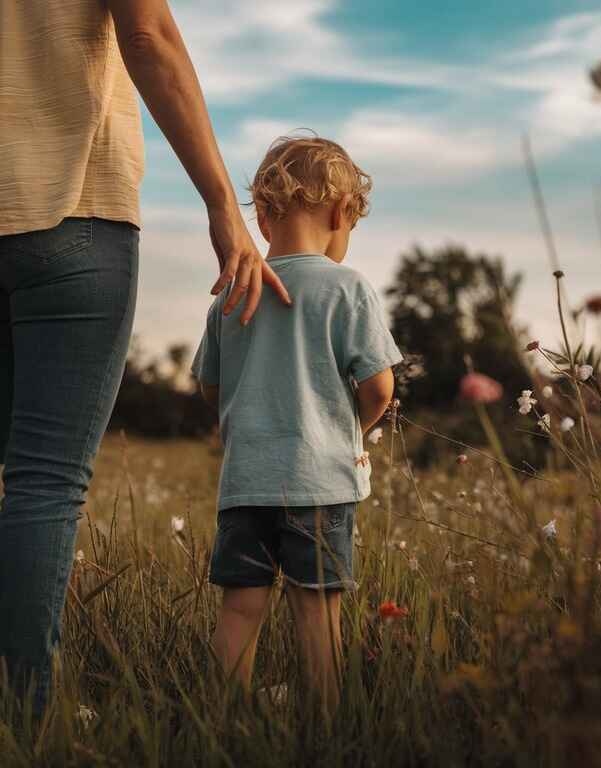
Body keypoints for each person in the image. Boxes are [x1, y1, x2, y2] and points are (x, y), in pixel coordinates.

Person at [0, 0, 290, 712]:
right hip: (71, 209)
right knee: (43, 483)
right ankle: (22, 721)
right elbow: (147, 31)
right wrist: (224, 205)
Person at [192, 135, 402, 719]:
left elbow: (211, 386)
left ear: (261, 216)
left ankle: (224, 718)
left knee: (240, 607)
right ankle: (325, 720)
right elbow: (379, 387)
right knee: (318, 608)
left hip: (245, 484)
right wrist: (349, 427)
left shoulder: (233, 291)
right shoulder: (349, 288)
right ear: (341, 214)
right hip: (319, 486)